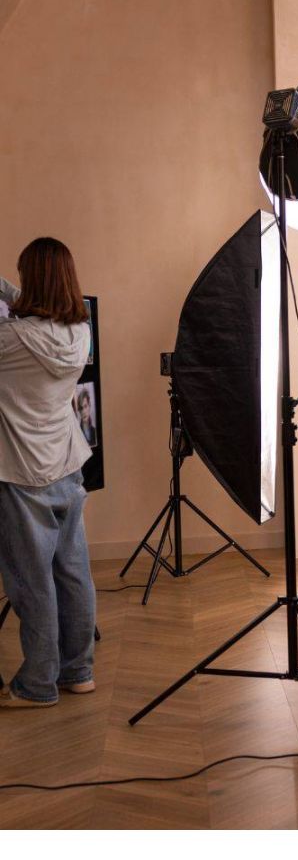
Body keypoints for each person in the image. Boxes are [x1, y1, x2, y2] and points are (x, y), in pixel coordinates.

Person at [0, 238, 95, 708]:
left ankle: (37, 684)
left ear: (32, 280)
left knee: (31, 582)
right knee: (72, 572)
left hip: (22, 473)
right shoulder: (80, 331)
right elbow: (28, 303)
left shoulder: (10, 340)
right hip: (67, 466)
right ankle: (78, 672)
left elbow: (20, 317)